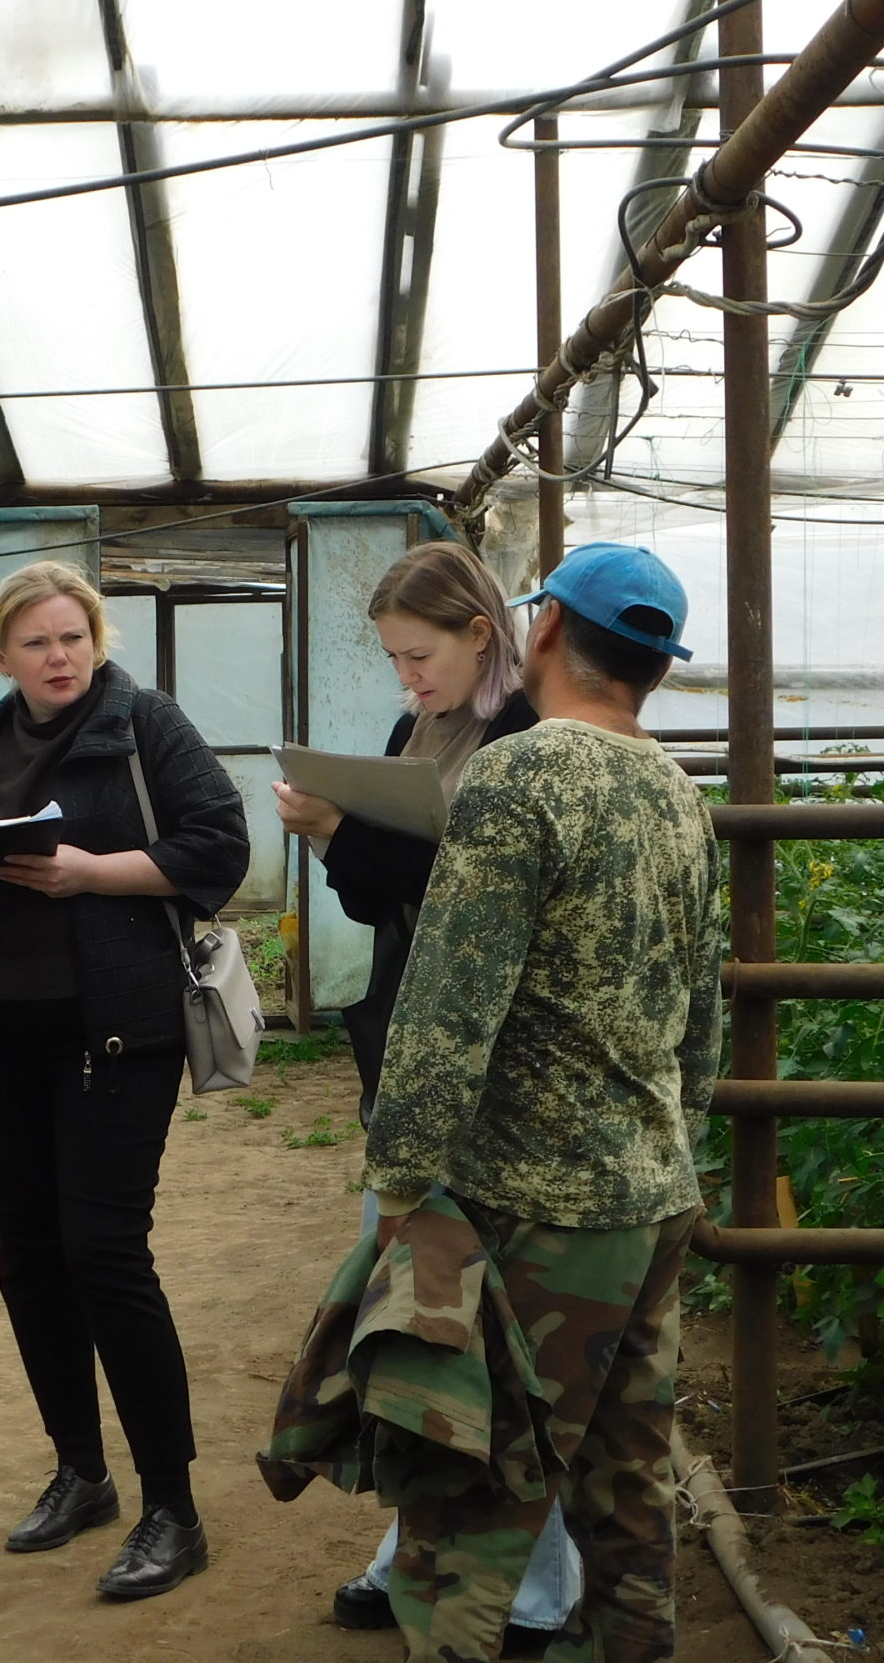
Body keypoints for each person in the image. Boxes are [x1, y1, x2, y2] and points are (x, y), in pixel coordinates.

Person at [362, 541, 723, 1663]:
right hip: (651, 1194)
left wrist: (403, 1186)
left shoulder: (518, 778)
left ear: (548, 630)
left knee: (470, 1506)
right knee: (626, 1492)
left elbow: (446, 1007)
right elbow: (697, 1022)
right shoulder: (676, 792)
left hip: (531, 1208)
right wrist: (672, 1144)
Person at [0, 560, 249, 1601]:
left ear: (96, 640)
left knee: (103, 1251)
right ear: (1, 655)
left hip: (114, 1035)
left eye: (73, 637)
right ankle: (80, 1471)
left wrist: (88, 872)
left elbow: (216, 846)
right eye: (37, 642)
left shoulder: (145, 726)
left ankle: (172, 1507)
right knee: (30, 1261)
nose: (59, 657)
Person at [268, 539, 578, 1639]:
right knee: (406, 1324)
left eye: (420, 657)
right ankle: (414, 1543)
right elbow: (388, 908)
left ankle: (542, 1586)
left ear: (480, 634)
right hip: (410, 1046)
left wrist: (347, 833)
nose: (408, 682)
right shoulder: (425, 732)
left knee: (502, 1338)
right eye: (397, 664)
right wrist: (339, 840)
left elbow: (476, 896)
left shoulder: (528, 741)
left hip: (494, 1073)